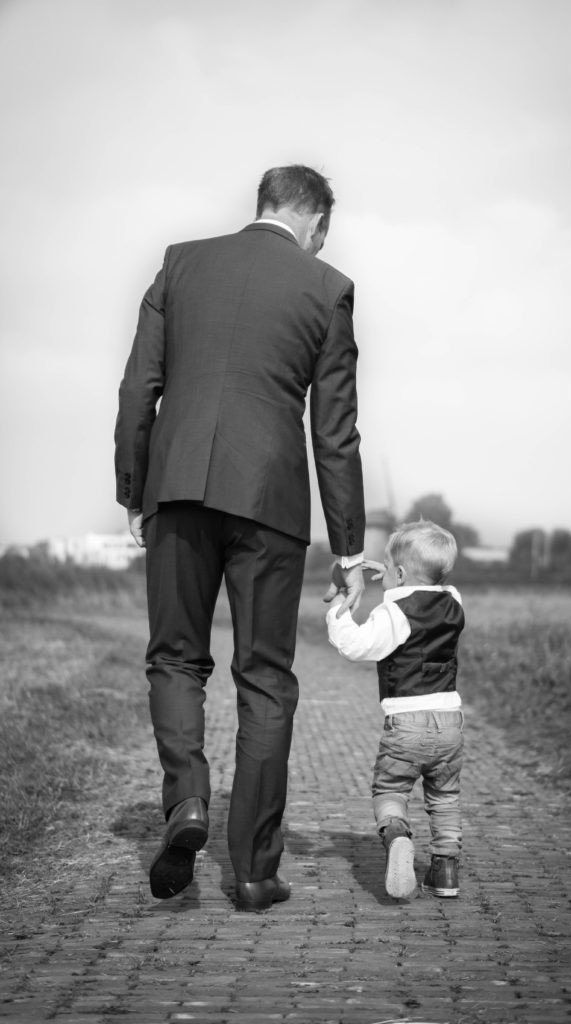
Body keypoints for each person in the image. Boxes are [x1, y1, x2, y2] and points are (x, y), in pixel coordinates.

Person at [115, 165, 365, 911]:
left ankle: (187, 803)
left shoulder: (181, 261)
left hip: (179, 488)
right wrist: (349, 549)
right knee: (263, 677)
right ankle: (254, 872)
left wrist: (134, 488)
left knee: (175, 658)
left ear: (262, 205)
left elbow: (138, 389)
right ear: (316, 221)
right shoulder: (326, 287)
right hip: (268, 502)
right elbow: (336, 432)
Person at [326, 520, 465, 899]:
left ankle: (398, 835)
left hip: (406, 723)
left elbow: (356, 646)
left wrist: (339, 604)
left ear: (400, 574)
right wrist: (393, 572)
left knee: (390, 788)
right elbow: (434, 583)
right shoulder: (453, 601)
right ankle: (445, 872)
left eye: (389, 567)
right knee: (445, 796)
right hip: (451, 723)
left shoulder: (395, 614)